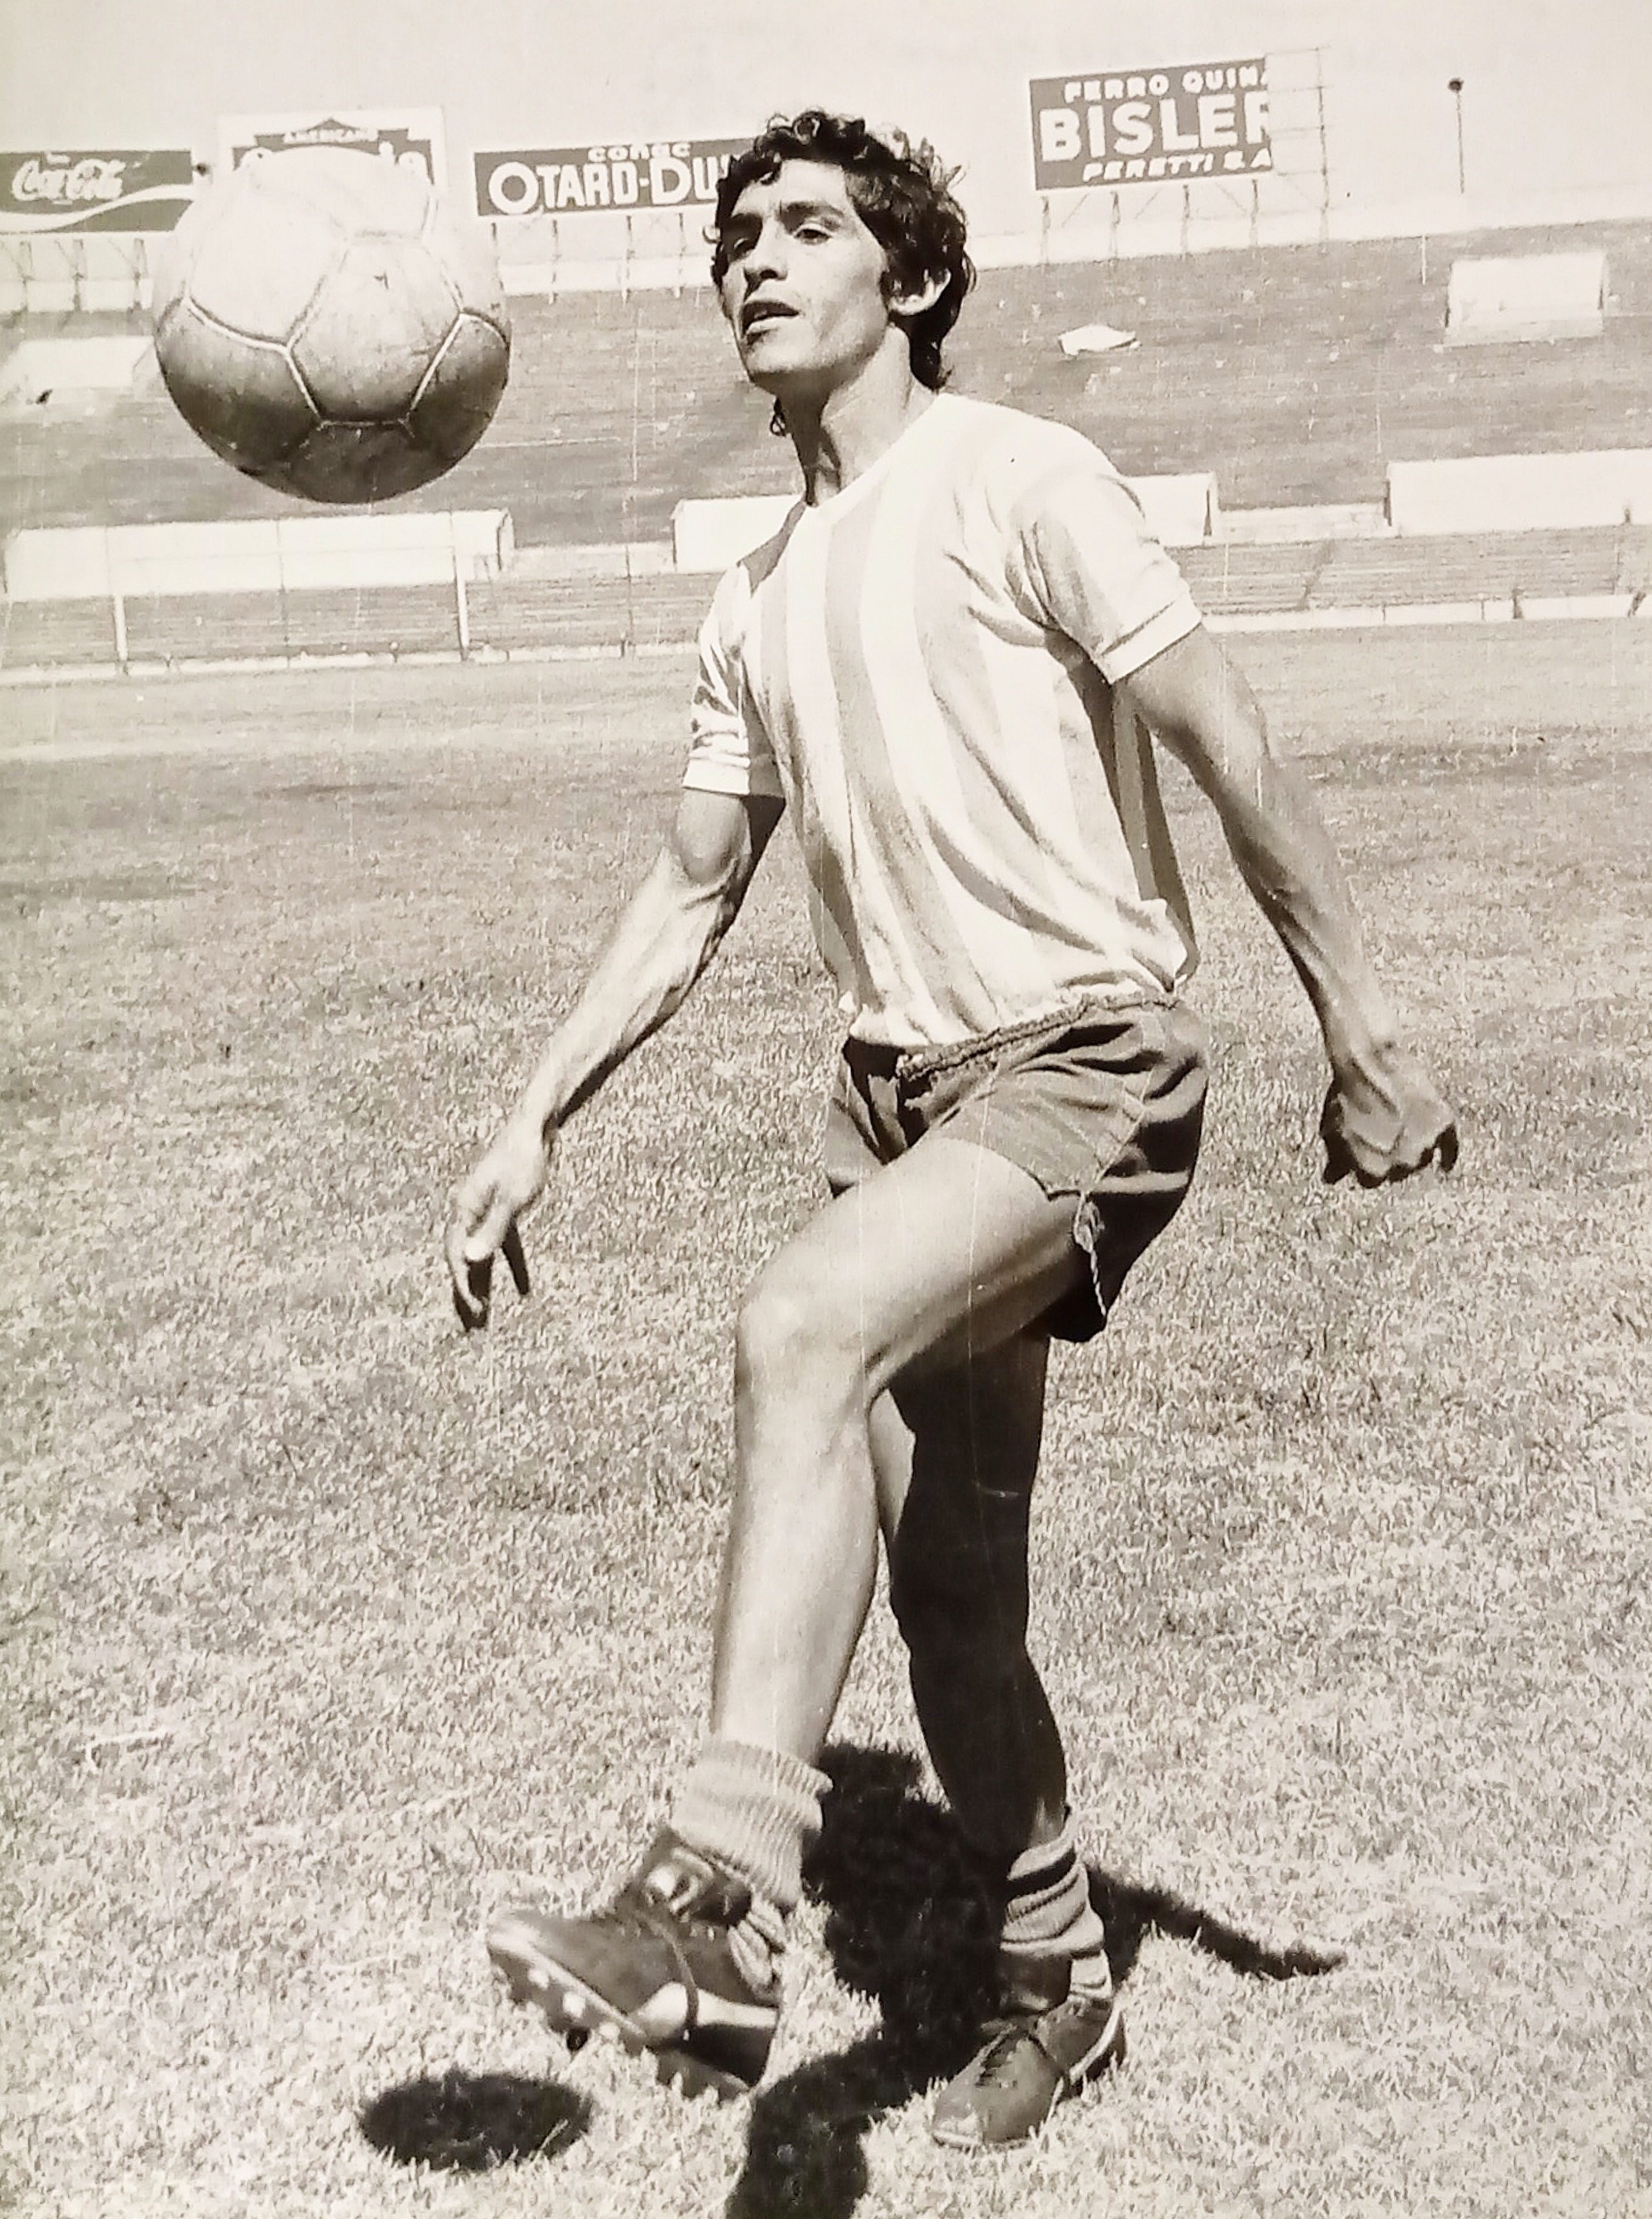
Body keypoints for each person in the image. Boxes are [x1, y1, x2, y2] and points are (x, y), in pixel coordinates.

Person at [444, 107, 1457, 2151]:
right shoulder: (756, 590)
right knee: (954, 1601)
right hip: (905, 1094)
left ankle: (715, 1896)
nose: (755, 257)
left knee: (802, 1325)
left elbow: (1222, 734)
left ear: (905, 280)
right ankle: (1060, 1971)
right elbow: (689, 890)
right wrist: (533, 1111)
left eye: (805, 227)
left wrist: (1363, 1025)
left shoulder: (1021, 478)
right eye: (735, 233)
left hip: (1088, 1058)